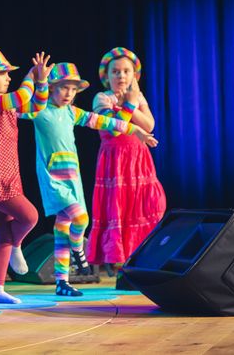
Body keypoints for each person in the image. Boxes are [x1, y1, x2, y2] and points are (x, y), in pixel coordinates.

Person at [21, 62, 157, 296]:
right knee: (80, 218)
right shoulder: (41, 112)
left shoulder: (72, 112)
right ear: (52, 88)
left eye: (73, 90)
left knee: (64, 228)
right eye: (63, 88)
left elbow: (104, 122)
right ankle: (78, 250)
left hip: (73, 177)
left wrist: (134, 130)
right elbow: (23, 104)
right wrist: (37, 80)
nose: (69, 94)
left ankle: (62, 282)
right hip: (53, 178)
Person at [0, 49, 51, 304]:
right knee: (30, 216)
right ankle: (16, 246)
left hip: (8, 172)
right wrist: (30, 76)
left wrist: (43, 81)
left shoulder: (6, 106)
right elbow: (24, 94)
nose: (8, 78)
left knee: (2, 232)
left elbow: (36, 107)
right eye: (3, 74)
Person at [86, 47, 166, 289]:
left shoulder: (137, 97)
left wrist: (132, 102)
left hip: (138, 159)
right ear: (107, 76)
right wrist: (129, 106)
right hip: (116, 162)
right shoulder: (102, 98)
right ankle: (122, 269)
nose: (121, 76)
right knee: (119, 209)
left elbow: (149, 124)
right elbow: (111, 128)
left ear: (134, 75)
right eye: (116, 71)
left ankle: (142, 264)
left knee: (145, 206)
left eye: (126, 71)